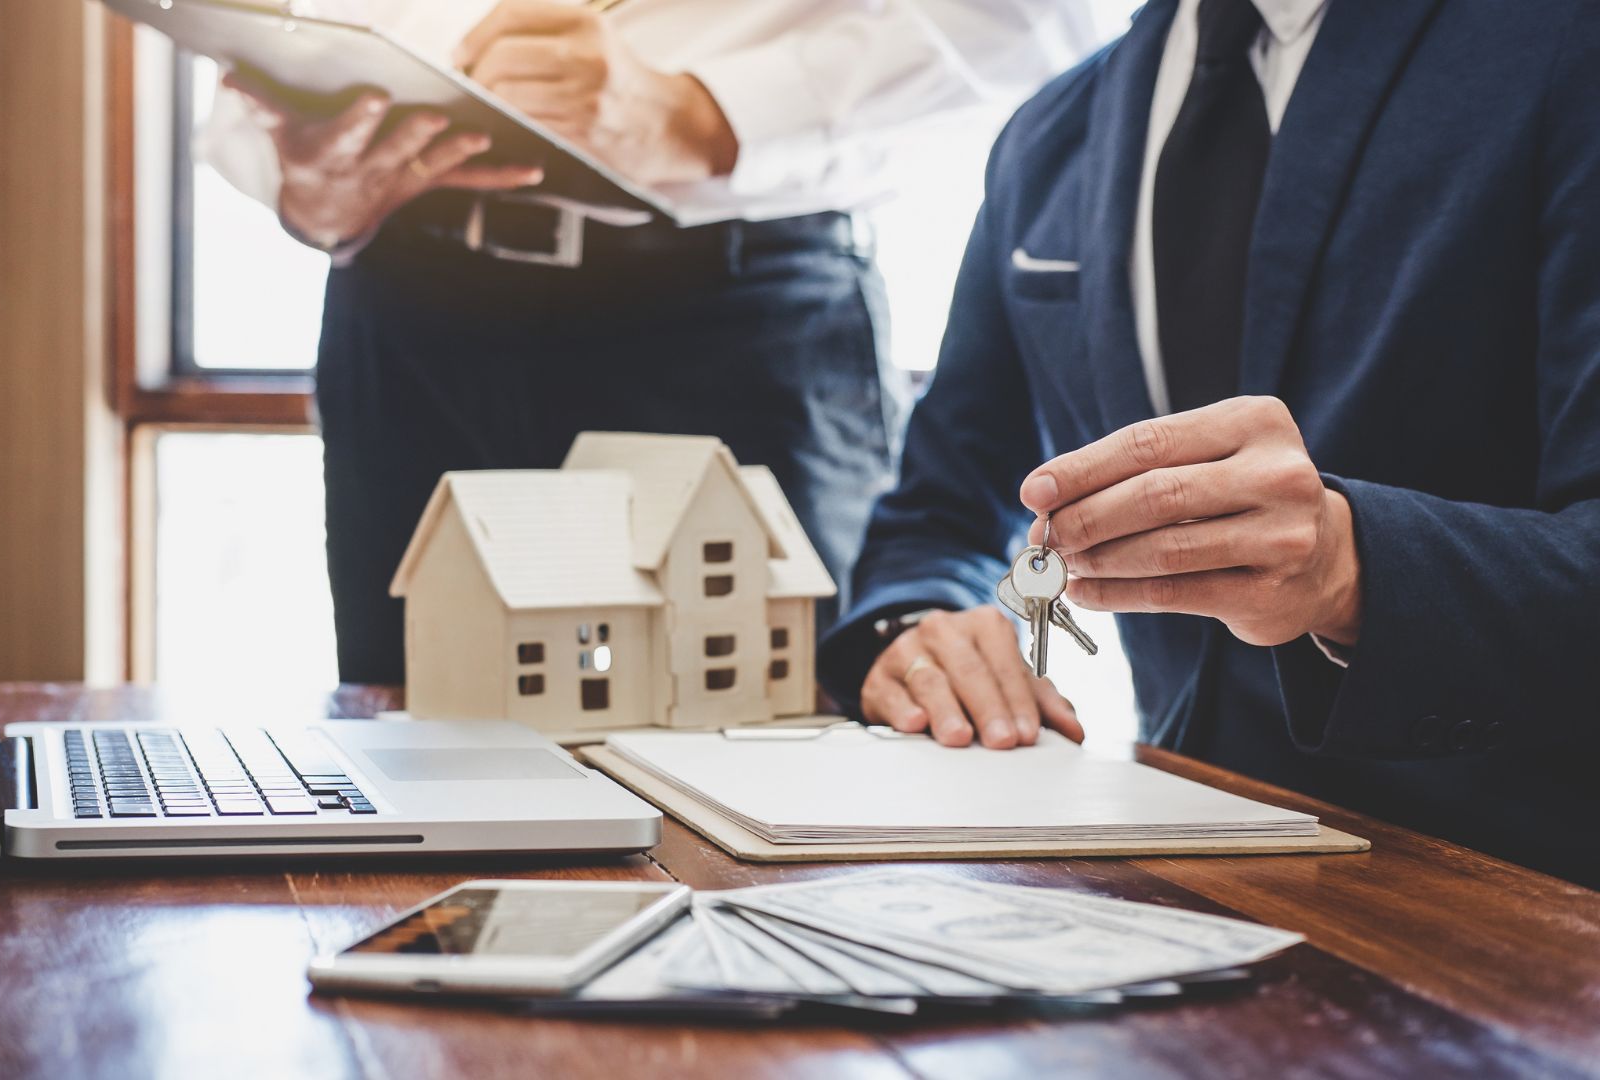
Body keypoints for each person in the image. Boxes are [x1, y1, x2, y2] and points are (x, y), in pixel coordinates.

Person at [820, 0, 1600, 886]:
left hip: (1508, 891)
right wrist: (920, 627)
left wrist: (1353, 570)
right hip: (1167, 866)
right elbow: (938, 512)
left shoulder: (1565, 48)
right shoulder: (1048, 134)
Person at [200, 0, 1104, 686]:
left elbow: (1041, 22)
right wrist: (295, 182)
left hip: (728, 304)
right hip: (400, 292)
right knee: (411, 737)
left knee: (775, 753)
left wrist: (708, 114)